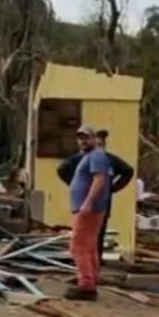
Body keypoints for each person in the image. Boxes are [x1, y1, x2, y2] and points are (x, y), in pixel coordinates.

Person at [57, 129, 134, 264]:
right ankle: (88, 268)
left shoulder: (109, 159)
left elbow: (127, 171)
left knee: (96, 235)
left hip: (100, 203)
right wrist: (75, 185)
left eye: (101, 143)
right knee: (82, 239)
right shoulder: (80, 159)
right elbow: (62, 169)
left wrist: (113, 188)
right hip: (83, 204)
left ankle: (92, 267)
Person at [64, 126, 111, 301]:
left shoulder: (96, 155)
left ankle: (86, 285)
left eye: (86, 138)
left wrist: (88, 202)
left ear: (94, 139)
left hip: (88, 209)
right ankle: (91, 279)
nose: (83, 141)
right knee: (89, 247)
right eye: (80, 138)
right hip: (89, 208)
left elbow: (99, 180)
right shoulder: (89, 156)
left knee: (78, 246)